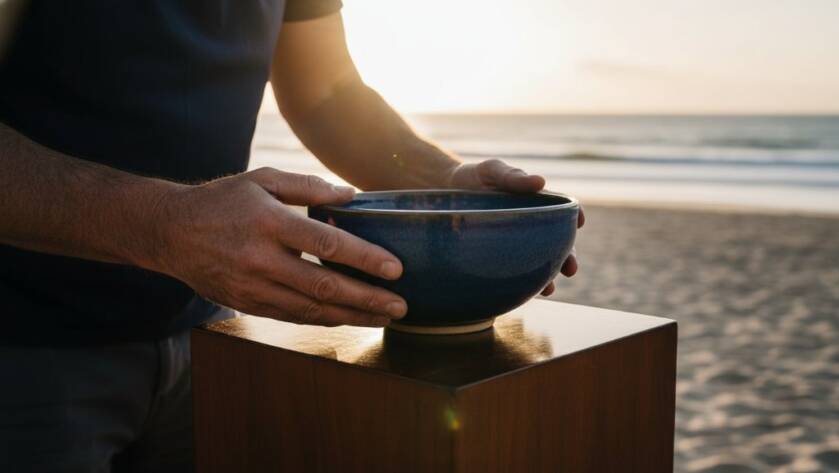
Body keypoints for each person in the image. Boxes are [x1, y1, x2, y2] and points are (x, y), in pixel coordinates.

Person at [0, 1, 583, 471]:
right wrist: (162, 225)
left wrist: (446, 184)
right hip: (25, 338)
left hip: (209, 329)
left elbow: (327, 93)